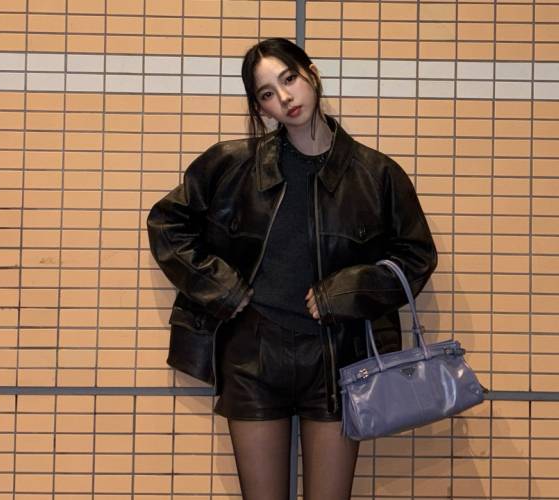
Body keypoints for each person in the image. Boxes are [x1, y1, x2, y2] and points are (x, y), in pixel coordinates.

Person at [147, 37, 437, 500]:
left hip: (339, 359)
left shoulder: (376, 174)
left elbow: (416, 256)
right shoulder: (231, 165)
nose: (284, 97)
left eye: (289, 79)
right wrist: (222, 288)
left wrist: (349, 290)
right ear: (260, 108)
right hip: (253, 356)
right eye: (267, 93)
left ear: (311, 74)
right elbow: (167, 224)